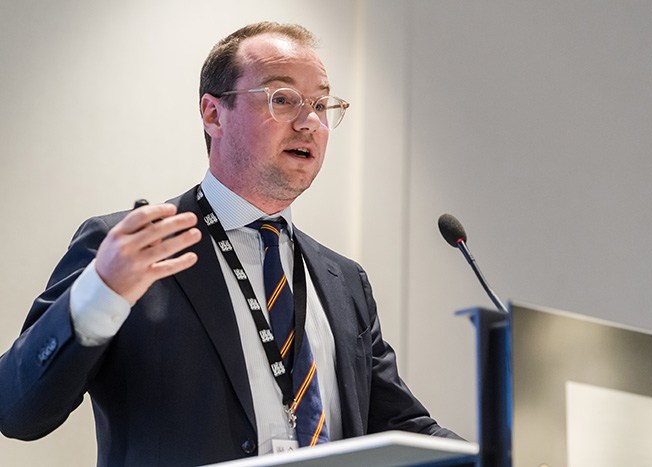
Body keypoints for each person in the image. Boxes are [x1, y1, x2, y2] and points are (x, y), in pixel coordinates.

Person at [0, 22, 459, 466]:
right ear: (213, 114)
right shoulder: (130, 250)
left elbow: (400, 424)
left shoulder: (345, 281)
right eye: (283, 99)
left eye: (321, 105)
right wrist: (101, 291)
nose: (309, 123)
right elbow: (17, 411)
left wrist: (494, 452)